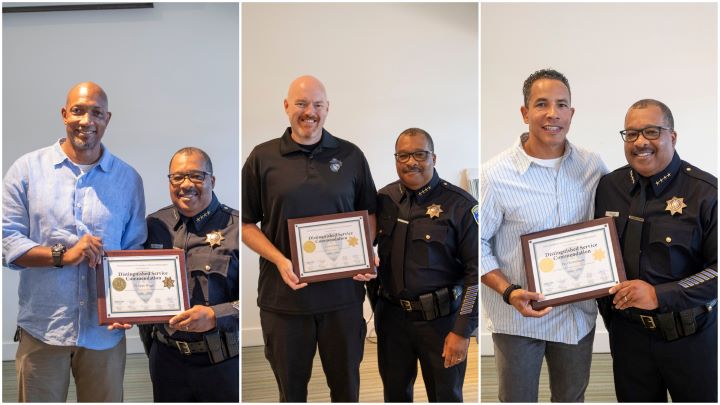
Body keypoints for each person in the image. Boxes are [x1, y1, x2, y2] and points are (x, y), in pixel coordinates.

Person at [2, 82, 146, 402]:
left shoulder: (128, 179)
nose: (87, 120)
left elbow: (135, 252)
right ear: (64, 114)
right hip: (42, 332)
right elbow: (8, 244)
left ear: (107, 118)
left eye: (96, 112)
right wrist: (63, 255)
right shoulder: (25, 171)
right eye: (78, 111)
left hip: (104, 335)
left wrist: (132, 307)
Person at [241, 75, 377, 402]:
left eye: (317, 104)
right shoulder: (262, 158)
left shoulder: (351, 156)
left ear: (327, 109)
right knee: (291, 392)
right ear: (287, 107)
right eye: (301, 104)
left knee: (346, 389)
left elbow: (369, 214)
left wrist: (366, 252)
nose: (309, 112)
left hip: (342, 299)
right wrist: (279, 259)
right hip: (284, 300)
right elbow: (245, 224)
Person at [480, 69, 607, 402]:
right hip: (518, 317)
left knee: (570, 398)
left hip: (576, 316)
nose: (553, 113)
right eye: (542, 104)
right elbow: (475, 242)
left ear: (572, 113)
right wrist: (509, 291)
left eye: (562, 105)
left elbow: (609, 229)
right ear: (525, 113)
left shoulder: (593, 166)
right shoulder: (496, 174)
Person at [594, 99, 717, 402]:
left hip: (689, 337)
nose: (640, 143)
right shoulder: (609, 186)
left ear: (671, 137)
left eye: (651, 132)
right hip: (628, 339)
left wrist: (658, 296)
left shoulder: (705, 192)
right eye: (631, 134)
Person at [373, 128, 478, 402]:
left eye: (420, 154)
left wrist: (462, 330)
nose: (411, 162)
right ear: (396, 159)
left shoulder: (461, 205)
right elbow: (364, 250)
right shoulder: (383, 200)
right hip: (392, 320)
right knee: (395, 394)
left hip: (442, 323)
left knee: (445, 396)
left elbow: (476, 274)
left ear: (434, 157)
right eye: (403, 155)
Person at [138, 147, 239, 402]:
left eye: (196, 176)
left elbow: (259, 300)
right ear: (169, 181)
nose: (186, 185)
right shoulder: (151, 227)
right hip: (166, 361)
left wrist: (216, 315)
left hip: (221, 362)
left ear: (211, 180)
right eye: (177, 177)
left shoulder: (238, 228)